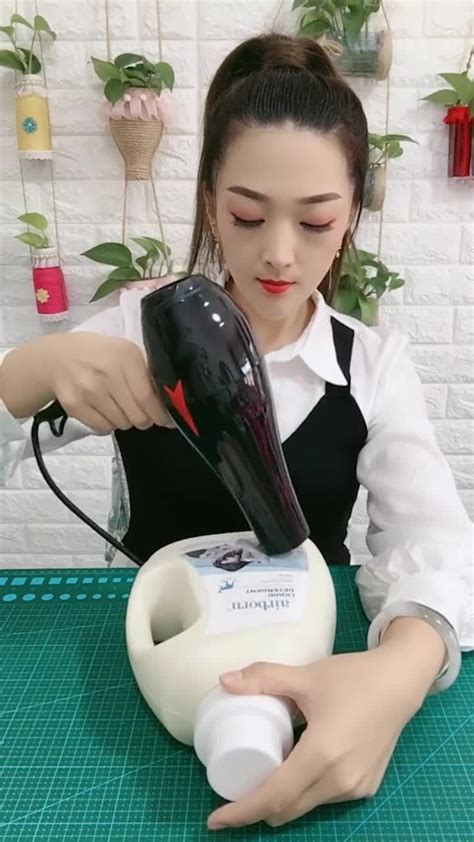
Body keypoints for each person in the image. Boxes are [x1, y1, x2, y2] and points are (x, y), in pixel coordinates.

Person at [0, 32, 472, 831]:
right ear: (210, 198)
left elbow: (436, 542)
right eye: (247, 216)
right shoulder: (134, 329)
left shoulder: (374, 364)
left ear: (352, 212)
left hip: (304, 653)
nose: (279, 255)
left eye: (317, 223)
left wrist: (397, 675)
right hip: (168, 656)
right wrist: (30, 372)